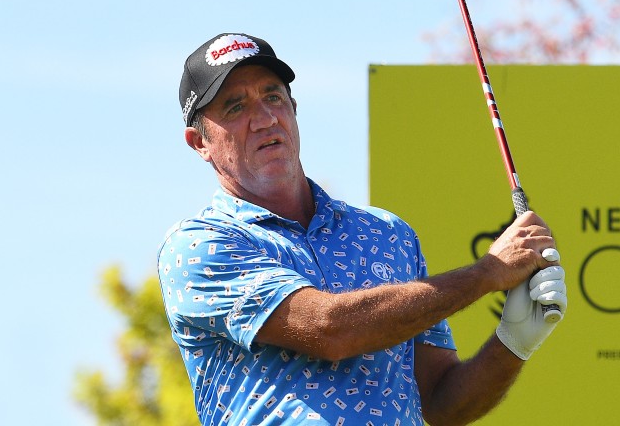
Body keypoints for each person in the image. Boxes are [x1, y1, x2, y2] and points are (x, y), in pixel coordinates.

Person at [158, 33, 567, 426]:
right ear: (199, 142)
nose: (264, 118)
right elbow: (329, 329)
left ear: (293, 109)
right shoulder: (197, 247)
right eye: (235, 107)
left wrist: (514, 342)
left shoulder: (388, 233)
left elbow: (443, 404)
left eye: (273, 97)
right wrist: (486, 274)